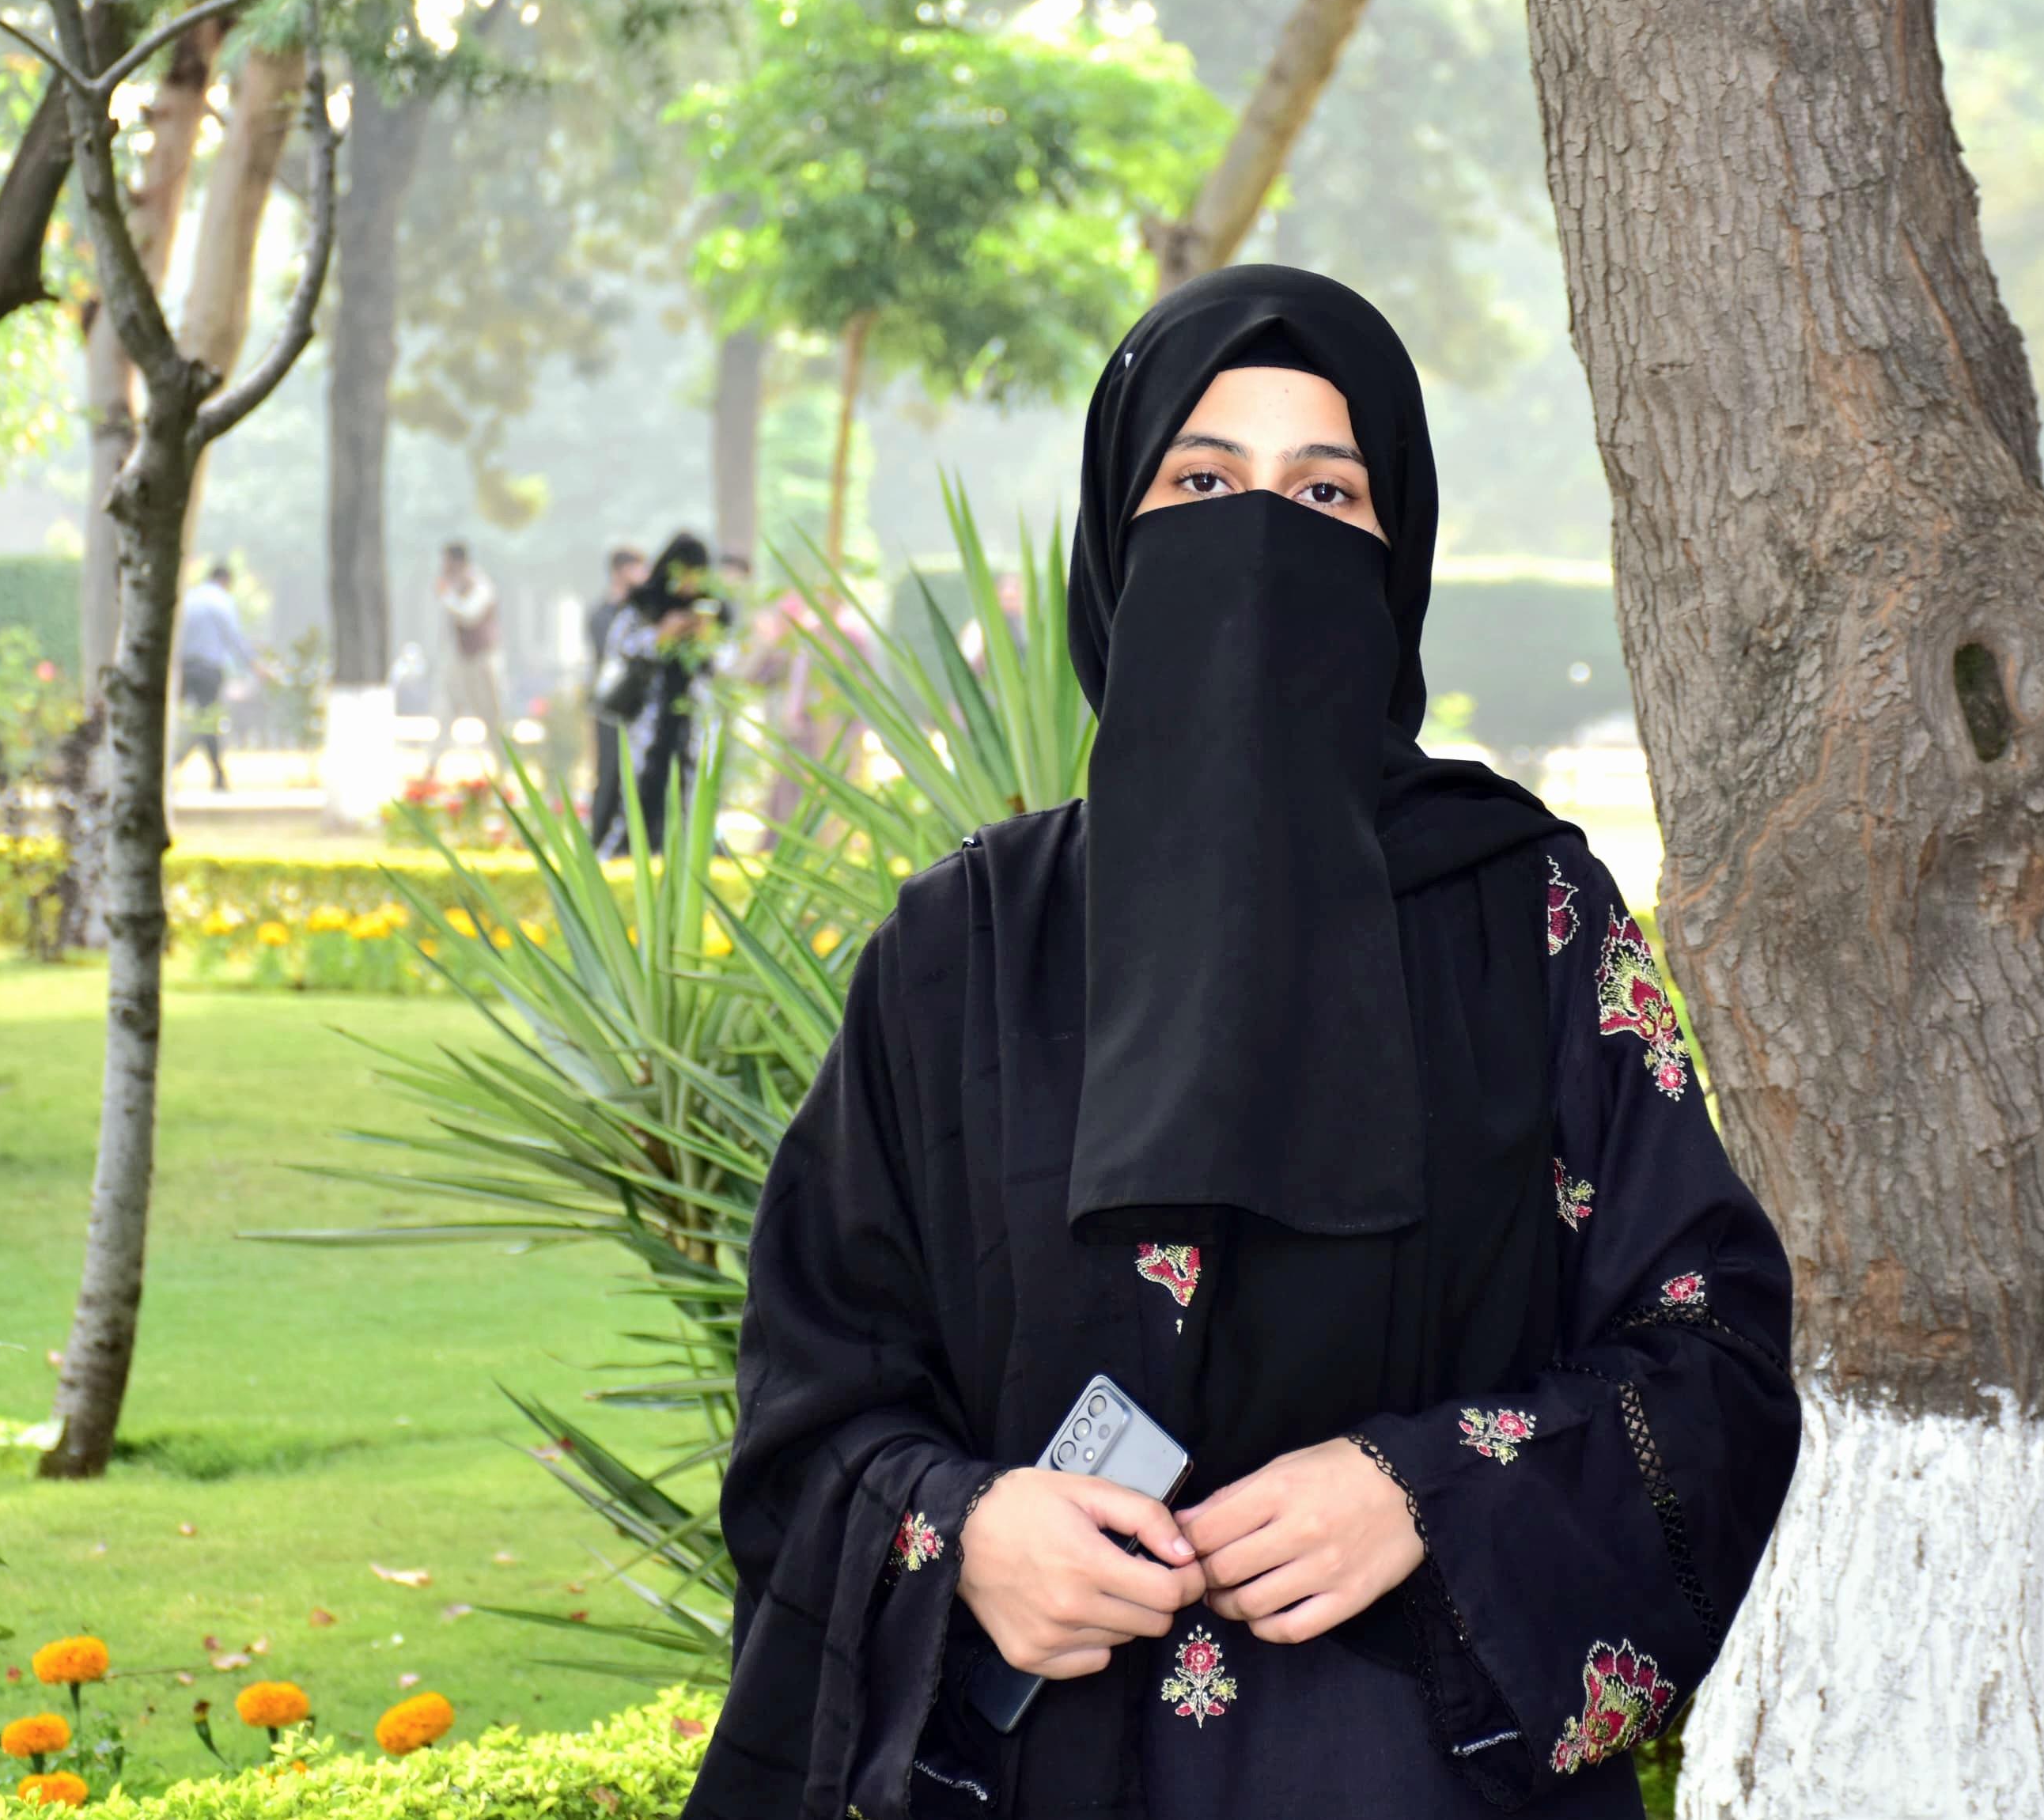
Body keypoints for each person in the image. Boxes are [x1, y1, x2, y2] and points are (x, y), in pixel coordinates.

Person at [687, 267, 1799, 1820]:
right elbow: (814, 1401)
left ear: (1398, 552)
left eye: (1326, 493)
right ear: (1116, 536)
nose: (1263, 535)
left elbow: (1711, 1352)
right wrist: (969, 1533)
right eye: (1202, 484)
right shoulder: (969, 945)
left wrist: (1429, 1491)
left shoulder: (1526, 916)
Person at [589, 532, 720, 857]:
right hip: (647, 722)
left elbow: (726, 665)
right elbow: (619, 651)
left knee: (691, 797)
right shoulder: (643, 606)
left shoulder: (712, 610)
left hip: (693, 723)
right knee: (636, 794)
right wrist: (661, 636)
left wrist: (705, 638)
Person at [425, 539, 507, 780]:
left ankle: (503, 767)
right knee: (445, 710)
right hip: (459, 661)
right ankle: (432, 766)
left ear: (457, 562)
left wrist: (447, 596)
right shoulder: (454, 586)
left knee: (491, 716)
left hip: (482, 661)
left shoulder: (480, 584)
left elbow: (470, 615)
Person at [173, 560, 252, 793]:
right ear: (226, 581)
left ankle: (210, 772)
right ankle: (188, 765)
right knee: (207, 721)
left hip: (184, 668)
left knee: (194, 720)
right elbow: (234, 638)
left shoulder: (189, 599)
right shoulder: (221, 601)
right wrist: (253, 663)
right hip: (208, 671)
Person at [585, 545, 646, 811]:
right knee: (609, 769)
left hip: (638, 704)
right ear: (621, 571)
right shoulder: (603, 615)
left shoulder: (640, 612)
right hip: (611, 704)